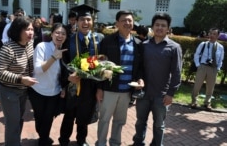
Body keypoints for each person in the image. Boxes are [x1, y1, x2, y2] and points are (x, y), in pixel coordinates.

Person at [131, 13, 182, 146]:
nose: (160, 28)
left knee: (159, 125)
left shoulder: (174, 47)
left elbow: (176, 72)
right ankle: (138, 143)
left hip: (162, 95)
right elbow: (139, 68)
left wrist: (171, 93)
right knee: (140, 122)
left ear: (168, 28)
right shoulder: (145, 45)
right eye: (157, 25)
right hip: (144, 94)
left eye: (163, 25)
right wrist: (139, 80)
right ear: (152, 27)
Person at [95, 10, 144, 146]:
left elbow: (139, 66)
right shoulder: (108, 41)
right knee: (104, 119)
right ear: (117, 23)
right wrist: (99, 88)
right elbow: (100, 65)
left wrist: (140, 79)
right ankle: (101, 143)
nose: (127, 23)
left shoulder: (138, 43)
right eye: (124, 20)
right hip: (109, 89)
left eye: (130, 20)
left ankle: (115, 143)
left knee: (120, 121)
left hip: (127, 90)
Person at [58, 4, 104, 146]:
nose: (86, 23)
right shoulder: (69, 39)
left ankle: (81, 140)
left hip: (91, 84)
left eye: (88, 20)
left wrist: (100, 85)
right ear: (76, 22)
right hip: (74, 83)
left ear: (92, 21)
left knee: (85, 113)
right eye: (82, 20)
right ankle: (64, 139)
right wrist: (67, 78)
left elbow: (104, 60)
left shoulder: (100, 38)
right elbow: (63, 62)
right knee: (70, 113)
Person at [0, 16, 38, 146]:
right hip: (8, 90)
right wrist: (21, 79)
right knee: (12, 122)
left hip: (23, 90)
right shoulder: (8, 48)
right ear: (17, 30)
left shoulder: (30, 44)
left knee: (18, 119)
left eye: (32, 29)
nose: (31, 32)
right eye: (27, 29)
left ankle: (14, 142)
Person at [28, 23, 68, 146]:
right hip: (38, 90)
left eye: (63, 33)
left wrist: (63, 87)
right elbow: (39, 69)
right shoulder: (42, 46)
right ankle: (43, 136)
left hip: (54, 91)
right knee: (39, 117)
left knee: (49, 117)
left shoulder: (66, 51)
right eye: (57, 32)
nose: (60, 35)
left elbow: (64, 72)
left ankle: (43, 138)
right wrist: (53, 57)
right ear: (51, 34)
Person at [191, 28, 224, 111]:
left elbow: (221, 59)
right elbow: (197, 54)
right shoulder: (203, 44)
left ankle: (207, 103)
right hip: (202, 67)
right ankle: (194, 101)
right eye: (211, 33)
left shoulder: (220, 47)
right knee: (197, 85)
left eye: (214, 34)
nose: (212, 36)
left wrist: (218, 68)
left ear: (218, 36)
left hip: (213, 69)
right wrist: (198, 65)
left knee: (210, 87)